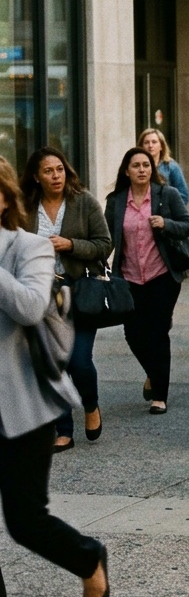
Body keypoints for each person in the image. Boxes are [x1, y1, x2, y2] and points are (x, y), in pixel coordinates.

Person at [0, 158, 110, 597]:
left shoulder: (29, 247)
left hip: (24, 405)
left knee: (25, 522)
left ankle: (88, 558)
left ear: (5, 198)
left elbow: (28, 306)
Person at [20, 147, 112, 451]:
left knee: (79, 361)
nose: (56, 176)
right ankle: (63, 429)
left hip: (80, 290)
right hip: (41, 294)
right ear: (36, 177)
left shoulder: (83, 201)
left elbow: (104, 244)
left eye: (59, 169)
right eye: (48, 171)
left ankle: (90, 404)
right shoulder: (26, 206)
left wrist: (70, 244)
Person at [104, 147, 189, 415]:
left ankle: (159, 396)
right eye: (136, 165)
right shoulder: (116, 201)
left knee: (157, 333)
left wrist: (166, 224)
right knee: (133, 333)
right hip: (129, 277)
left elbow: (188, 226)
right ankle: (154, 373)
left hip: (162, 276)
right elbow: (107, 238)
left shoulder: (167, 194)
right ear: (126, 171)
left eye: (146, 165)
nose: (142, 170)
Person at [138, 128, 189, 204]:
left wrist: (168, 208)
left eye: (154, 142)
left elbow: (183, 196)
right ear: (141, 146)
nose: (150, 145)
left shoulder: (172, 167)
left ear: (161, 146)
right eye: (146, 142)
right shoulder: (136, 167)